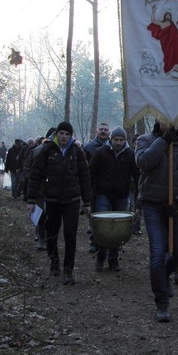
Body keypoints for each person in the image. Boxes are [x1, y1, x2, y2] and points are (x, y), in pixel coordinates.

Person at [135, 120, 178, 322]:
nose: (169, 121)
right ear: (157, 119)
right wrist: (163, 142)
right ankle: (162, 302)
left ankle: (163, 276)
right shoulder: (145, 140)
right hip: (153, 206)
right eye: (164, 117)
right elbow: (143, 162)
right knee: (157, 253)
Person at [26, 122, 92, 285]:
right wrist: (31, 199)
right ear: (57, 134)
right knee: (52, 233)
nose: (64, 137)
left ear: (71, 136)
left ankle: (68, 271)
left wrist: (87, 201)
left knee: (70, 235)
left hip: (72, 200)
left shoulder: (77, 152)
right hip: (52, 199)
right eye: (61, 133)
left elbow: (85, 177)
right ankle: (54, 263)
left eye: (67, 134)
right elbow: (35, 175)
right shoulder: (47, 150)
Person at [88, 127, 140, 272]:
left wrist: (138, 195)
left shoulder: (130, 154)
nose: (118, 143)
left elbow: (137, 175)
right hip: (102, 193)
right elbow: (91, 173)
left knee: (118, 229)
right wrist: (89, 195)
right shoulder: (100, 153)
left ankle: (113, 260)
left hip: (121, 195)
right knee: (102, 226)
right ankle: (100, 257)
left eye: (121, 140)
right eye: (116, 139)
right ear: (111, 139)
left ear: (125, 140)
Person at [83, 122, 111, 253]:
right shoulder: (88, 147)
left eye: (106, 129)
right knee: (94, 215)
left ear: (109, 132)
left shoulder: (114, 146)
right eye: (101, 129)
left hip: (110, 187)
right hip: (93, 186)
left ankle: (109, 241)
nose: (104, 131)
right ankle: (93, 241)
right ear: (97, 131)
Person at [147, 4, 178, 75]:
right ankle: (167, 69)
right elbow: (153, 20)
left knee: (175, 53)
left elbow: (176, 33)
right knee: (167, 55)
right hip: (165, 43)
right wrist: (153, 11)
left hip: (173, 42)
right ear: (164, 16)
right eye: (166, 15)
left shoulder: (172, 25)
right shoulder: (161, 24)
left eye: (169, 16)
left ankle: (175, 67)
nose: (167, 16)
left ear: (170, 17)